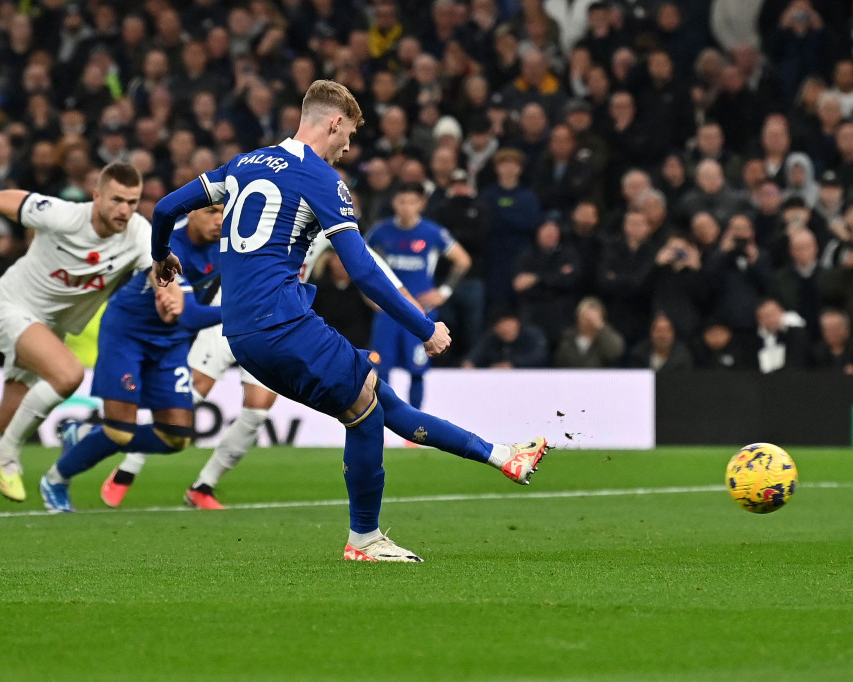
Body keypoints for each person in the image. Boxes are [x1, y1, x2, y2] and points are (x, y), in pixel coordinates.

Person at [147, 80, 546, 562]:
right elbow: (363, 271)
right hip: (282, 324)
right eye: (349, 135)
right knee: (364, 411)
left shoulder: (245, 163)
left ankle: (502, 456)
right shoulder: (319, 178)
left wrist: (161, 256)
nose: (348, 148)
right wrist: (425, 327)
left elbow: (166, 207)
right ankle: (365, 539)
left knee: (378, 395)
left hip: (244, 331)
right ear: (333, 122)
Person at [97, 236, 412, 510]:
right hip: (230, 314)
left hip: (274, 324)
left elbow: (368, 259)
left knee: (258, 408)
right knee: (191, 393)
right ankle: (128, 469)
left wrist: (404, 302)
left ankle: (203, 486)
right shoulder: (275, 211)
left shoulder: (328, 227)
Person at [0, 163, 151, 518]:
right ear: (97, 196)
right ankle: (7, 452)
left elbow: (158, 269)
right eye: (117, 200)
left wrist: (169, 289)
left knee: (6, 417)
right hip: (9, 307)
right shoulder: (63, 215)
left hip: (47, 327)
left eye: (132, 202)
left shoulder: (137, 233)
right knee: (68, 373)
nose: (125, 210)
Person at [39, 205, 225, 513]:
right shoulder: (169, 246)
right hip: (128, 334)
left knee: (176, 437)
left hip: (170, 341)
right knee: (119, 430)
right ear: (191, 213)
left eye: (223, 212)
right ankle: (56, 479)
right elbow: (189, 315)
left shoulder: (226, 245)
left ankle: (83, 434)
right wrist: (246, 314)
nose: (218, 219)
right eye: (210, 211)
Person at [366, 181, 471, 409]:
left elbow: (463, 260)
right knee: (381, 369)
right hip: (389, 311)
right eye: (402, 201)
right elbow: (360, 263)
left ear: (421, 204)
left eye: (412, 202)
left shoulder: (433, 232)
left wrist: (443, 292)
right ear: (394, 203)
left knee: (417, 370)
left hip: (420, 310)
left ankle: (415, 432)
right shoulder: (380, 232)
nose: (406, 207)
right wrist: (368, 296)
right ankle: (380, 423)